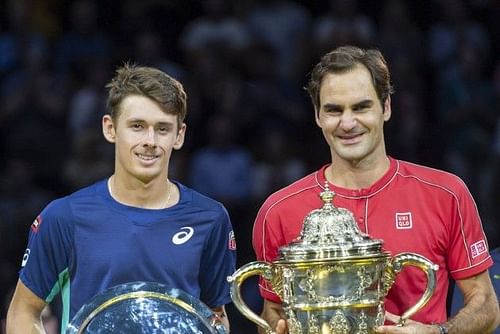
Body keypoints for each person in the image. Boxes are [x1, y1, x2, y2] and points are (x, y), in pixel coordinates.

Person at [252, 46, 500, 334]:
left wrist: (439, 332)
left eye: (361, 107)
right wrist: (277, 327)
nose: (347, 123)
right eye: (334, 110)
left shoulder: (446, 194)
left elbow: (486, 306)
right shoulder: (279, 210)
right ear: (318, 116)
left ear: (386, 108)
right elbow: (273, 308)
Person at [6, 63, 236, 333]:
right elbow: (23, 312)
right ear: (110, 128)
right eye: (137, 126)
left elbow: (215, 318)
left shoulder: (210, 218)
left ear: (179, 135)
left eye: (162, 128)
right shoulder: (65, 217)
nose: (150, 140)